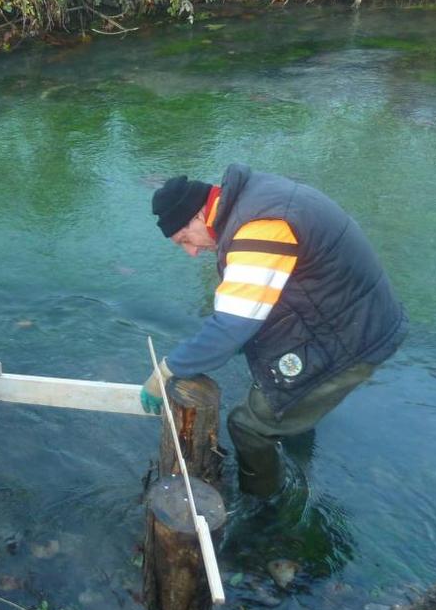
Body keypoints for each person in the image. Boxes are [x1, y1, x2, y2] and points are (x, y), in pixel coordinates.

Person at [141, 163, 407, 496]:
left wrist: (166, 370)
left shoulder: (259, 228)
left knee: (246, 426)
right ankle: (296, 435)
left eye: (184, 240)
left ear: (199, 216)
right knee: (276, 389)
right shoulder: (252, 199)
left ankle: (265, 509)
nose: (192, 252)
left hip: (353, 339)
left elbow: (229, 327)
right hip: (349, 314)